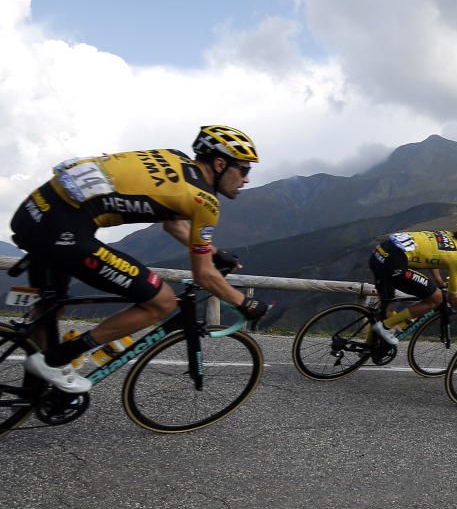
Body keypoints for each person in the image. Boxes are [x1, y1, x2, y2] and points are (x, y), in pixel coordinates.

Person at [10, 125, 271, 393]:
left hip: (34, 211)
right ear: (219, 164)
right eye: (244, 169)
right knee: (163, 301)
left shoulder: (175, 158)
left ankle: (32, 392)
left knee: (51, 306)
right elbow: (203, 276)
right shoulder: (204, 201)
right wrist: (245, 302)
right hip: (64, 229)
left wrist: (215, 252)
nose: (246, 179)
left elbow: (174, 225)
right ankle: (55, 360)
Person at [368, 216, 457, 345]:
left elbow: (433, 259)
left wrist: (439, 282)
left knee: (387, 305)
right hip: (394, 263)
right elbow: (452, 297)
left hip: (379, 253)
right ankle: (386, 327)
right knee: (437, 298)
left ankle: (368, 346)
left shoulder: (445, 235)